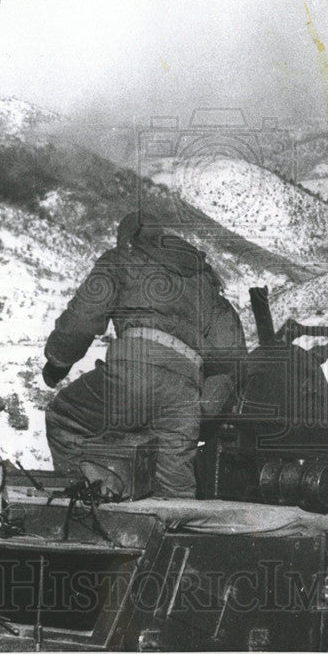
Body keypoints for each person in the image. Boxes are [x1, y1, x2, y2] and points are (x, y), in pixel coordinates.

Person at [43, 211, 246, 498]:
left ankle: (83, 503)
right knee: (175, 487)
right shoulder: (206, 284)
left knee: (65, 418)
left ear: (129, 238)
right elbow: (230, 359)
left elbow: (83, 316)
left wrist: (58, 361)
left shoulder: (122, 259)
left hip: (133, 372)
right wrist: (201, 411)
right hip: (186, 391)